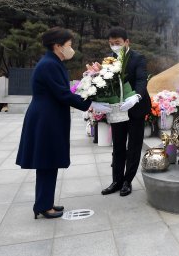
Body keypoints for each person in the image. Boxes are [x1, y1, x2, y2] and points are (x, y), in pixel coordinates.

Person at [16, 27, 111, 219]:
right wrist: (91, 104)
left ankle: (45, 202)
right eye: (69, 45)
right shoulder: (49, 64)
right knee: (46, 161)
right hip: (46, 118)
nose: (71, 48)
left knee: (49, 161)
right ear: (57, 46)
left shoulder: (53, 62)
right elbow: (63, 93)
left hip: (49, 116)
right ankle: (43, 206)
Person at [101, 27, 151, 197]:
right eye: (111, 43)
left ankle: (128, 181)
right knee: (118, 144)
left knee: (134, 146)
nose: (114, 46)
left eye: (118, 43)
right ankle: (116, 180)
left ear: (127, 42)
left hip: (135, 107)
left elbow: (141, 79)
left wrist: (136, 96)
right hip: (118, 109)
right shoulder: (110, 60)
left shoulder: (138, 58)